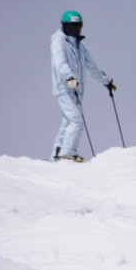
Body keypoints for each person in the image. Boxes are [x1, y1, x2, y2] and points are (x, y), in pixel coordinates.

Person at [50, 10, 115, 162]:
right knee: (76, 120)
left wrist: (106, 81)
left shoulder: (80, 46)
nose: (73, 31)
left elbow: (91, 67)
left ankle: (57, 156)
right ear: (64, 26)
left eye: (76, 27)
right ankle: (68, 153)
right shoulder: (58, 42)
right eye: (71, 27)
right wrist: (69, 77)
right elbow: (59, 62)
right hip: (64, 87)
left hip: (76, 90)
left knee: (67, 121)